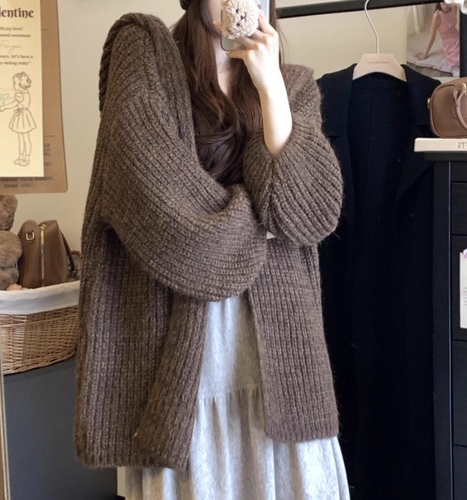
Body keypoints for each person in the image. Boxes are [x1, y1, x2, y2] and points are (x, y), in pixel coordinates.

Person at [75, 0, 349, 498]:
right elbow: (164, 219)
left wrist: (269, 86)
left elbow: (310, 215)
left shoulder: (294, 87)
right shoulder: (143, 58)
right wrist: (261, 222)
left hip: (285, 368)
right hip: (183, 368)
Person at [0, 72, 36, 167]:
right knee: (21, 138)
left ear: (21, 84)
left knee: (25, 138)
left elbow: (16, 103)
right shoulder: (23, 93)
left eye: (15, 83)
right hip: (21, 115)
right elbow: (17, 103)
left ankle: (26, 158)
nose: (13, 85)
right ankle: (21, 157)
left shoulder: (21, 94)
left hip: (23, 116)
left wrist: (5, 107)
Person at [416, 2, 460, 71]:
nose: (446, 6)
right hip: (449, 43)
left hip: (458, 36)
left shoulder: (454, 8)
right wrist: (425, 54)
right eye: (443, 3)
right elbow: (432, 38)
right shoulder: (437, 16)